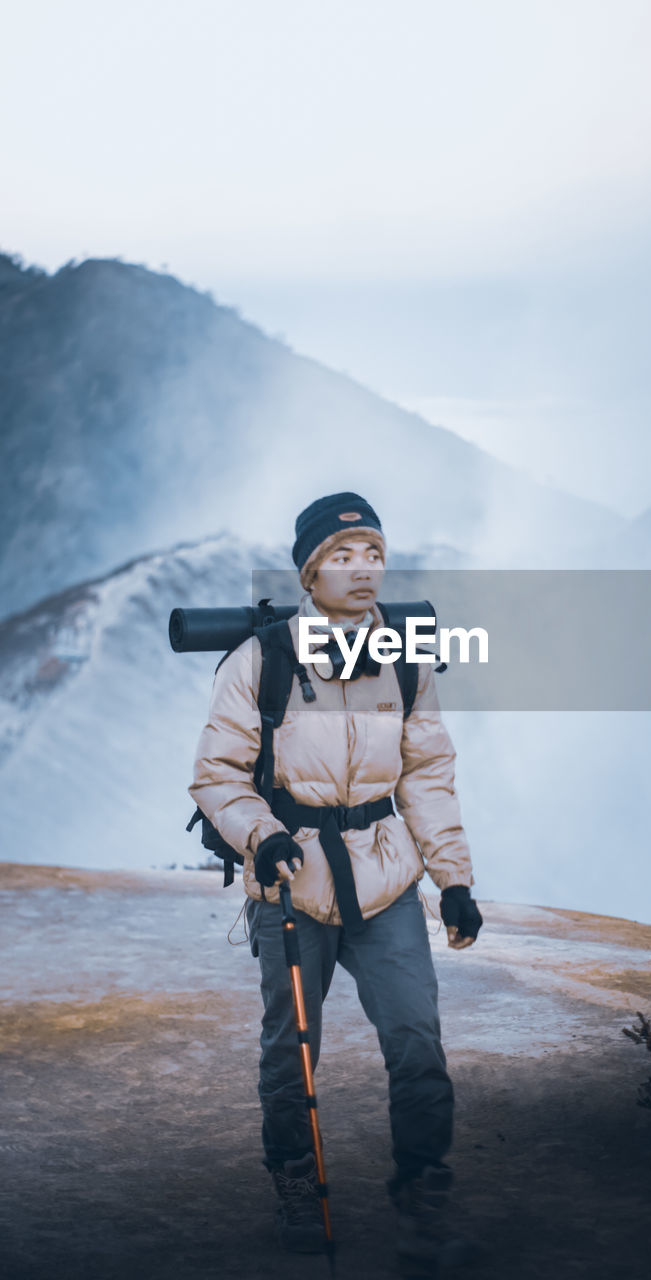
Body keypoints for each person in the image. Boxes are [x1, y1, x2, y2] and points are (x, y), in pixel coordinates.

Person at [189, 492, 482, 1266]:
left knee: (417, 1040)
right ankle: (294, 1177)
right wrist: (262, 834)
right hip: (293, 881)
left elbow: (427, 775)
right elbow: (216, 775)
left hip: (385, 882)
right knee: (293, 1048)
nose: (363, 570)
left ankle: (424, 1194)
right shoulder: (265, 660)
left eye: (373, 554)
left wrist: (452, 879)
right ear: (310, 572)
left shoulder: (406, 657)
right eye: (343, 556)